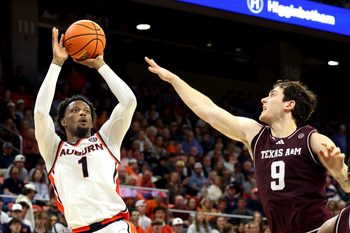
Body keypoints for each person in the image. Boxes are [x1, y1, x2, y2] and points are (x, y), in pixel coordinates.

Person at [145, 57, 350, 233]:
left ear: (289, 104)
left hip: (318, 229)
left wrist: (341, 173)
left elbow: (347, 185)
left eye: (272, 94)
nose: (263, 99)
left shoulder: (313, 139)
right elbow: (207, 109)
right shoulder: (256, 135)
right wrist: (173, 79)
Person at [33, 27, 137, 232]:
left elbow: (128, 102)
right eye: (75, 110)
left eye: (86, 111)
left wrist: (101, 65)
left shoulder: (107, 139)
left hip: (115, 226)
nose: (82, 113)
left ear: (91, 120)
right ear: (62, 121)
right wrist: (56, 64)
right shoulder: (53, 149)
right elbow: (40, 113)